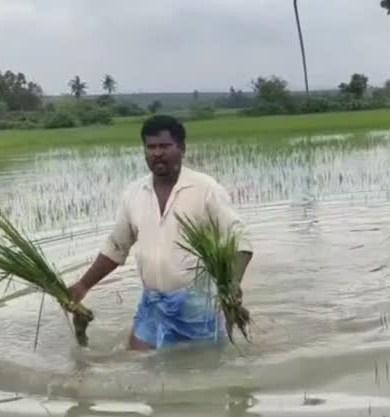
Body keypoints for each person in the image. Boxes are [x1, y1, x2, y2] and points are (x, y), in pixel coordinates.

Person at [68, 115, 253, 350]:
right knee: (136, 364)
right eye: (151, 147)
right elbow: (116, 246)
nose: (157, 153)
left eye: (164, 146)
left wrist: (233, 284)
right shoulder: (134, 193)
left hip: (197, 305)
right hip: (152, 304)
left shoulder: (205, 189)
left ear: (182, 148)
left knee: (206, 371)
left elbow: (240, 239)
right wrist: (83, 285)